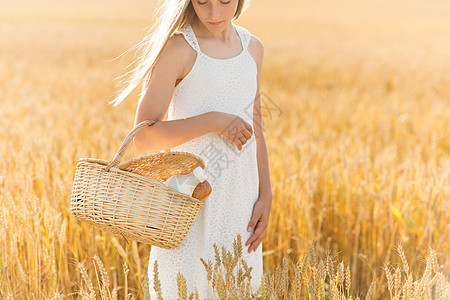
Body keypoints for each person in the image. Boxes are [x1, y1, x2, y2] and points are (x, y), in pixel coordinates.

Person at [110, 0, 272, 298]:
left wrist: (266, 194)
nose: (214, 13)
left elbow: (255, 128)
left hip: (241, 204)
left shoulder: (253, 49)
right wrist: (214, 121)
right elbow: (144, 139)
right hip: (188, 203)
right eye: (202, 1)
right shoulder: (179, 49)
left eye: (225, 1)